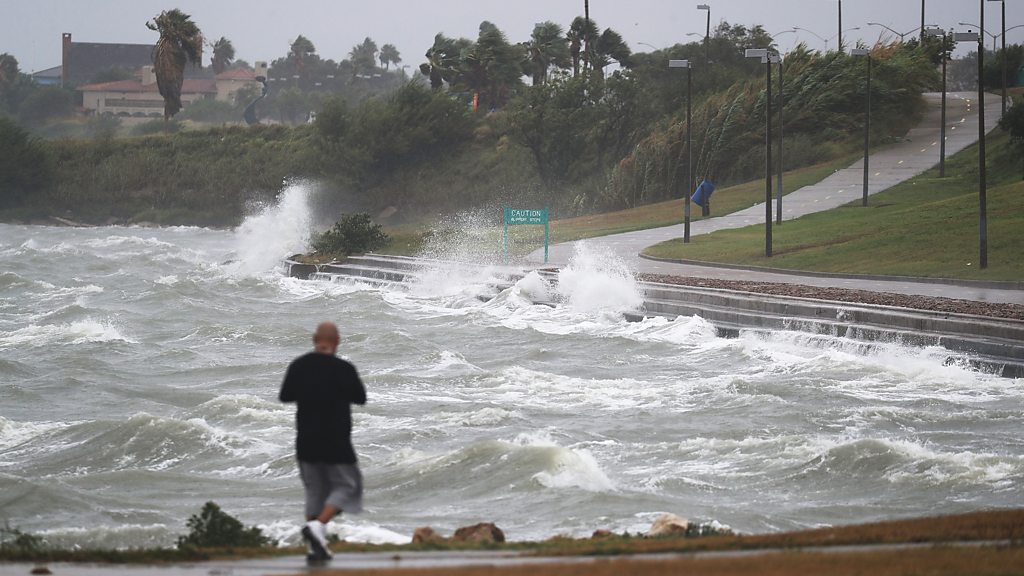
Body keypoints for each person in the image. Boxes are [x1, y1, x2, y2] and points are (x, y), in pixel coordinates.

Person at [279, 321, 367, 565]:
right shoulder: (344, 369)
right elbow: (360, 398)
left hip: (306, 439)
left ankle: (314, 549)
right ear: (337, 342)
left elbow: (285, 396)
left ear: (314, 339)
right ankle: (318, 526)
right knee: (348, 486)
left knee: (314, 492)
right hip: (336, 440)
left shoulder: (299, 365)